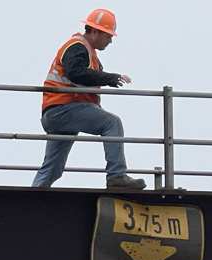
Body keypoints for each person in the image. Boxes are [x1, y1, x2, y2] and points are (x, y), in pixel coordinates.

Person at [32, 9, 146, 189]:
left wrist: (105, 80)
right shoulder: (77, 46)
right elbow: (76, 73)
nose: (110, 40)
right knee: (112, 124)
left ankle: (33, 197)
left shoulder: (87, 52)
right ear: (94, 31)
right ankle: (117, 176)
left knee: (53, 169)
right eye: (108, 35)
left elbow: (84, 78)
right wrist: (109, 78)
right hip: (64, 109)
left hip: (58, 112)